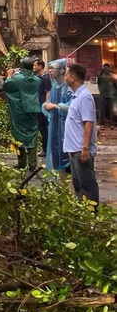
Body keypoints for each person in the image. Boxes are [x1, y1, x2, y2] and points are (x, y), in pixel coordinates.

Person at [63, 63, 99, 205]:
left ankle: (92, 214)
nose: (65, 78)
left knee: (87, 185)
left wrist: (85, 147)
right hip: (74, 149)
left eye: (66, 75)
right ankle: (82, 213)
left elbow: (88, 123)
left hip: (81, 149)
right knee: (78, 184)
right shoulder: (76, 96)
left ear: (73, 78)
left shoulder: (84, 97)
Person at [2, 58, 41, 171]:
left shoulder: (17, 79)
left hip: (19, 111)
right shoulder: (37, 80)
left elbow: (6, 86)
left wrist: (9, 75)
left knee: (18, 135)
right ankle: (33, 163)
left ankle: (22, 162)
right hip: (33, 110)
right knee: (32, 135)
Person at [42, 59, 72, 172]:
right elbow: (48, 103)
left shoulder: (67, 89)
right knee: (55, 153)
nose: (50, 71)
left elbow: (72, 108)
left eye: (52, 68)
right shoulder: (54, 87)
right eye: (49, 69)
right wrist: (46, 106)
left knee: (66, 155)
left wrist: (55, 106)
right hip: (54, 125)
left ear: (61, 70)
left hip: (65, 126)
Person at [35, 59, 51, 155]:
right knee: (41, 128)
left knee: (44, 129)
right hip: (38, 106)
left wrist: (46, 106)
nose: (34, 67)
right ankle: (44, 148)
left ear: (40, 66)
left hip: (42, 106)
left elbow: (47, 92)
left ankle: (46, 149)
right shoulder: (38, 77)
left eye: (35, 65)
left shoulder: (45, 78)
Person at [97, 63, 114, 129]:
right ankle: (102, 124)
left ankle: (112, 124)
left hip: (110, 95)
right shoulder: (100, 76)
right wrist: (101, 91)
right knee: (102, 110)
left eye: (107, 67)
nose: (106, 69)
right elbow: (98, 84)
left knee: (110, 111)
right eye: (105, 67)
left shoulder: (112, 76)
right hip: (103, 95)